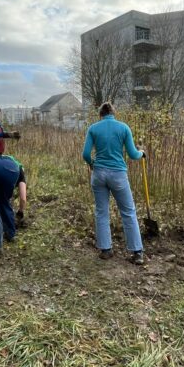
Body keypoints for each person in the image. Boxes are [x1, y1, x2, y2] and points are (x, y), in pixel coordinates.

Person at [82, 102, 145, 265]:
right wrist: (141, 153)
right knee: (128, 211)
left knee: (101, 211)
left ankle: (106, 250)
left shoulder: (93, 128)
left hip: (98, 174)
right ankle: (137, 252)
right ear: (113, 113)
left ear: (100, 114)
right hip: (118, 175)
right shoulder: (123, 128)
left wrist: (92, 164)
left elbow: (85, 154)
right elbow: (133, 154)